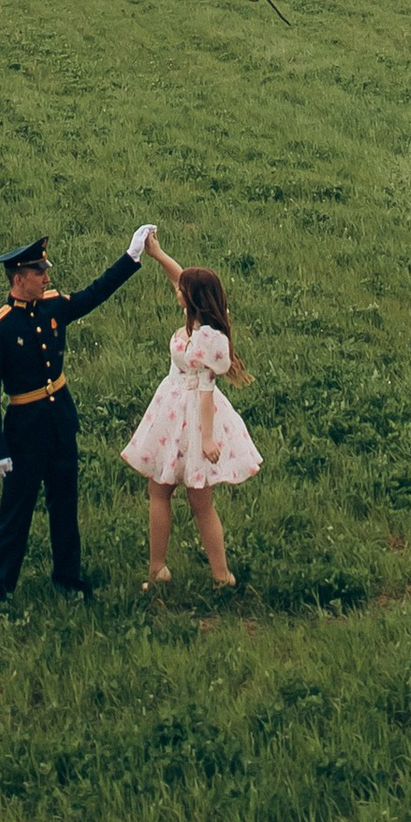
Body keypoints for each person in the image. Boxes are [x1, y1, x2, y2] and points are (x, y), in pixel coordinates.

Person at [0, 221, 155, 613]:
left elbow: (93, 295)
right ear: (19, 277)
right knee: (16, 514)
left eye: (46, 270)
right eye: (39, 272)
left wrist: (131, 257)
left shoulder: (54, 306)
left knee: (64, 505)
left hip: (60, 424)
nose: (46, 276)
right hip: (24, 433)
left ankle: (68, 579)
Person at [121, 231, 262, 592]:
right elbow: (180, 276)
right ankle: (164, 568)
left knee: (191, 499)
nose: (176, 292)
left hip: (192, 416)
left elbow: (205, 390)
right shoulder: (201, 318)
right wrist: (158, 253)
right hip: (174, 409)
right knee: (165, 491)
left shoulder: (207, 339)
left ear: (193, 299)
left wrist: (209, 439)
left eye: (183, 291)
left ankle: (215, 573)